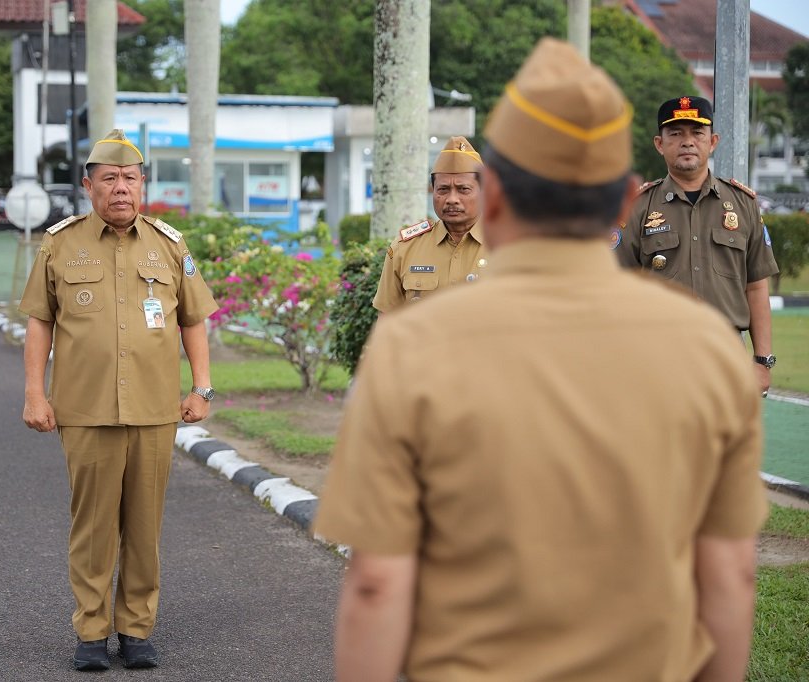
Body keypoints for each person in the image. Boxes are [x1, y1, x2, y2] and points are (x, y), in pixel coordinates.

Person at [315, 38, 765, 682]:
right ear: (623, 203)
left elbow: (377, 584)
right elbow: (728, 570)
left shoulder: (410, 349)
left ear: (491, 193)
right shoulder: (707, 350)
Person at [19, 129, 218, 672]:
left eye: (130, 178)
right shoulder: (60, 244)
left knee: (145, 528)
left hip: (155, 412)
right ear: (89, 186)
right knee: (93, 528)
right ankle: (90, 631)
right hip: (85, 411)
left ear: (143, 184)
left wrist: (201, 388)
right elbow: (40, 323)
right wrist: (36, 393)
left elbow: (193, 320)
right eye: (110, 179)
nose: (121, 188)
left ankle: (135, 629)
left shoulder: (170, 245)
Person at [616, 95, 779, 395]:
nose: (687, 142)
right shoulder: (637, 208)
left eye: (697, 133)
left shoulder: (743, 205)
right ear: (659, 144)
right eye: (676, 134)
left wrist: (762, 361)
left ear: (712, 141)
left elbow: (756, 286)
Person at [372, 135, 486, 312]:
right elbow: (387, 320)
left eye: (463, 189)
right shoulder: (406, 248)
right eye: (443, 189)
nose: (452, 199)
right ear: (433, 191)